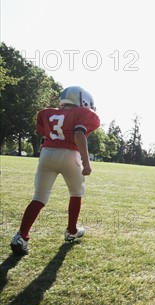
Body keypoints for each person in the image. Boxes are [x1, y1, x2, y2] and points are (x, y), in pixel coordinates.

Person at [10, 86, 100, 256]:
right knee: (76, 193)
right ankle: (72, 230)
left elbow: (45, 133)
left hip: (47, 154)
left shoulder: (47, 113)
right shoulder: (83, 113)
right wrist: (87, 163)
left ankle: (21, 236)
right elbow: (79, 135)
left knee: (39, 197)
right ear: (83, 102)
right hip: (70, 155)